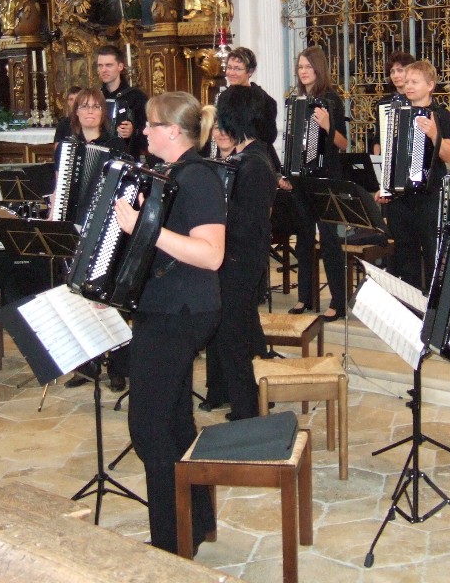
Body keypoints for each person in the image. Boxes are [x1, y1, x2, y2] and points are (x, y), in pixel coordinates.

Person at [113, 91, 225, 554]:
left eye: (150, 124)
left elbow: (211, 255)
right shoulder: (170, 174)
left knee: (149, 428)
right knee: (175, 423)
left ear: (173, 131)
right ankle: (192, 526)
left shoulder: (197, 178)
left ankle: (169, 546)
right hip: (164, 307)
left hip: (181, 311)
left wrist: (146, 227)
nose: (143, 130)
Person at [203, 87, 277, 421]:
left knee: (235, 340)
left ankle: (247, 412)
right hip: (237, 259)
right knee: (236, 334)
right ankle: (242, 400)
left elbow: (247, 224)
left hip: (240, 262)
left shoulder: (254, 163)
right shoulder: (247, 157)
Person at [58, 88, 130, 391]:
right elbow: (59, 183)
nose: (90, 112)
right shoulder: (67, 147)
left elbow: (126, 185)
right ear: (76, 112)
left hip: (106, 227)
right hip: (74, 224)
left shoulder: (116, 146)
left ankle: (118, 366)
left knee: (107, 296)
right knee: (77, 295)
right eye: (84, 107)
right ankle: (86, 364)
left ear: (103, 113)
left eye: (96, 107)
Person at [285, 46, 349, 321]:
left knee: (330, 240)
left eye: (308, 67)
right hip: (301, 179)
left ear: (319, 69)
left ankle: (338, 301)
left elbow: (343, 144)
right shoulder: (296, 100)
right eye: (300, 67)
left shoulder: (331, 100)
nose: (303, 71)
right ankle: (305, 297)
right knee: (304, 239)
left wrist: (327, 126)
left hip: (326, 177)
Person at [381, 60, 450, 292]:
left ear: (430, 85)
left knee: (433, 253)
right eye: (407, 82)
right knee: (405, 257)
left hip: (429, 197)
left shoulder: (442, 116)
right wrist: (385, 186)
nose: (408, 86)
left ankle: (433, 304)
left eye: (415, 82)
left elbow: (449, 155)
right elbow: (390, 154)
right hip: (400, 199)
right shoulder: (394, 114)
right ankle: (410, 303)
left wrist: (434, 134)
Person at [225, 47, 281, 171]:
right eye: (229, 67)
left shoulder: (264, 100)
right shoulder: (224, 97)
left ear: (250, 72)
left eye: (237, 68)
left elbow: (269, 136)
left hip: (256, 161)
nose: (231, 72)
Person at [98, 45, 148, 158]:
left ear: (120, 66)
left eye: (108, 65)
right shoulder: (96, 96)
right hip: (98, 156)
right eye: (100, 65)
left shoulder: (137, 96)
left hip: (127, 157)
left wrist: (133, 131)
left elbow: (149, 130)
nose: (103, 70)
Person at [372, 50, 416, 155]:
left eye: (400, 70)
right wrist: (379, 159)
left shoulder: (418, 99)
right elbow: (378, 138)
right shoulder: (384, 103)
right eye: (392, 72)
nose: (395, 75)